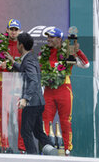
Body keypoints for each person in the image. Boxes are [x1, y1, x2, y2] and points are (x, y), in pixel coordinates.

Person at [5, 32, 57, 155]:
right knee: (38, 132)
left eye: (17, 44)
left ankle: (33, 157)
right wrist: (13, 62)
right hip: (38, 102)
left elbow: (33, 80)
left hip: (32, 103)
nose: (16, 46)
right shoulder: (29, 58)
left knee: (25, 132)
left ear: (21, 45)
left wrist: (25, 99)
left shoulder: (28, 61)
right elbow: (25, 70)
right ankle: (53, 152)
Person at [40, 28, 89, 156]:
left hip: (64, 89)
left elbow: (86, 64)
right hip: (49, 90)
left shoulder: (68, 51)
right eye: (48, 37)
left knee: (65, 120)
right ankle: (46, 147)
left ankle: (67, 149)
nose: (48, 39)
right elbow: (39, 71)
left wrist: (77, 50)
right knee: (45, 119)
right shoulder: (44, 53)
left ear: (59, 39)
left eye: (51, 37)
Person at [0, 19, 25, 153]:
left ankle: (22, 148)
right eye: (11, 29)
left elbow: (28, 66)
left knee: (21, 117)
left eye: (16, 29)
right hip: (4, 83)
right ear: (7, 30)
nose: (13, 32)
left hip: (19, 84)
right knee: (3, 115)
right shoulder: (0, 44)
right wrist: (2, 67)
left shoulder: (24, 45)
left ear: (19, 31)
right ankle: (3, 146)